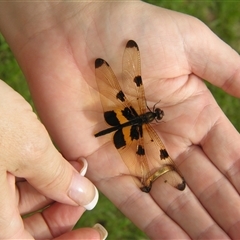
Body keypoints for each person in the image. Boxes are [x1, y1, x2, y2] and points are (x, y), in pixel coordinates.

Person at [0, 1, 240, 239]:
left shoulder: (137, 106)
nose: (155, 114)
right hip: (122, 126)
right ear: (152, 114)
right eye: (155, 113)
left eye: (155, 115)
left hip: (122, 120)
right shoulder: (148, 128)